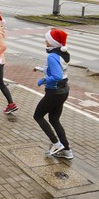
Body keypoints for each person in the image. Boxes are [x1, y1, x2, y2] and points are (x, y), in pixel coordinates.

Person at [35, 28, 72, 159]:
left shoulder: (52, 56)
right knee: (54, 120)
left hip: (54, 92)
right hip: (63, 91)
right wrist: (40, 69)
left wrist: (43, 80)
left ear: (52, 42)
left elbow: (57, 75)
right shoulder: (62, 54)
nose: (45, 41)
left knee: (38, 116)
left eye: (47, 39)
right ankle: (67, 151)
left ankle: (56, 143)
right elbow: (57, 70)